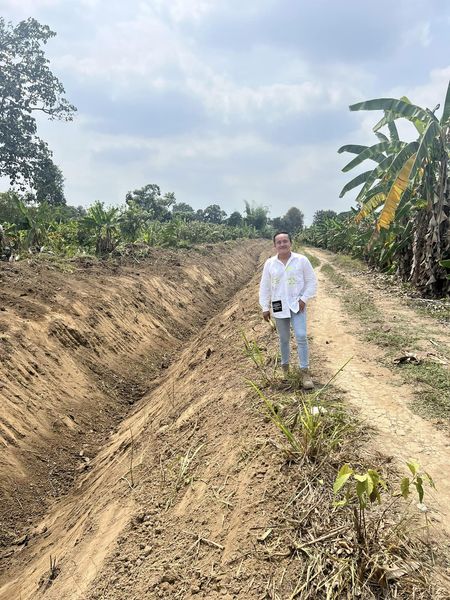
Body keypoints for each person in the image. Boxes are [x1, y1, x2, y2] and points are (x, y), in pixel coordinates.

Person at [259, 231, 317, 389]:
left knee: (301, 335)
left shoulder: (301, 260)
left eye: (285, 241)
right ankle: (285, 370)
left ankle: (305, 372)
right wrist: (265, 307)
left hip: (297, 304)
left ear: (290, 243)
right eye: (279, 242)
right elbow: (265, 286)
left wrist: (304, 299)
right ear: (274, 245)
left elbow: (311, 281)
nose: (282, 244)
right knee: (283, 338)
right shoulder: (270, 264)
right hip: (279, 305)